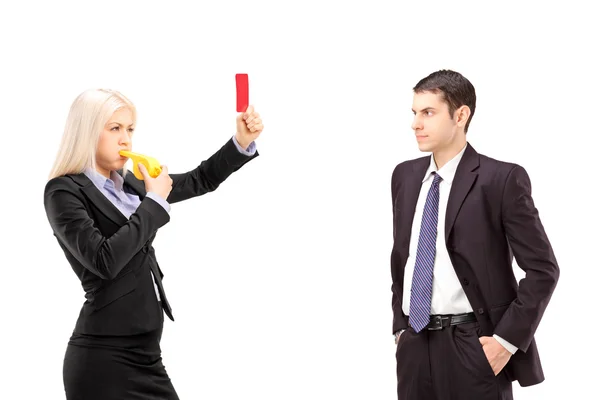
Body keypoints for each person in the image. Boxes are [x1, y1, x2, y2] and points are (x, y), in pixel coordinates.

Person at [44, 88, 263, 399]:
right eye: (114, 128)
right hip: (103, 359)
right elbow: (104, 261)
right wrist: (155, 201)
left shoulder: (133, 184)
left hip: (147, 355)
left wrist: (240, 142)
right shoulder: (63, 192)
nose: (126, 140)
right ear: (87, 131)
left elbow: (201, 178)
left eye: (130, 129)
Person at [389, 70, 559, 399]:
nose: (415, 124)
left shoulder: (501, 180)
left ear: (461, 115)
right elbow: (403, 257)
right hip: (414, 345)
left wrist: (505, 343)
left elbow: (543, 270)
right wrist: (401, 326)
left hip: (472, 346)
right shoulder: (404, 176)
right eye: (414, 113)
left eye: (428, 113)